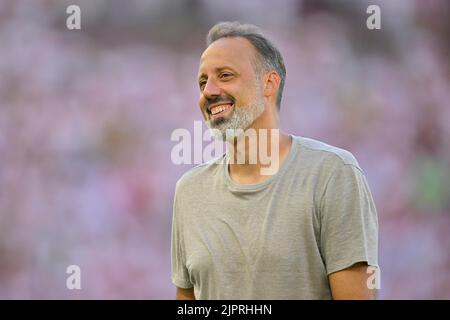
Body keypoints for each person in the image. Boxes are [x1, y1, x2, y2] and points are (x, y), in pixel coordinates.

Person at [171, 21, 379, 300]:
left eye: (225, 75)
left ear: (268, 83)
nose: (208, 91)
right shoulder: (189, 192)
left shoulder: (332, 174)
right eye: (202, 81)